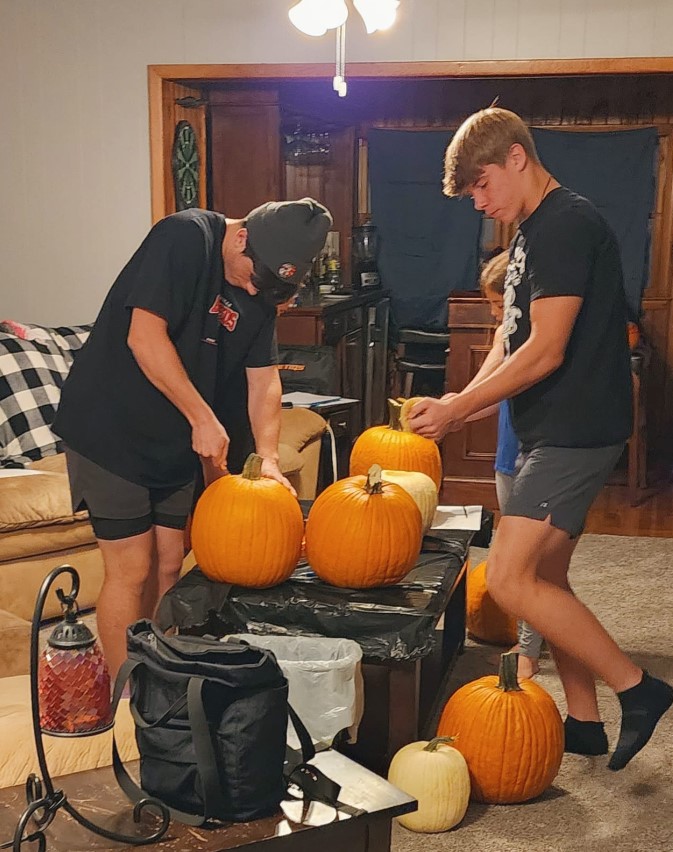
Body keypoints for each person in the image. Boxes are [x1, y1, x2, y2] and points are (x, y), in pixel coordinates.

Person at [408, 107, 672, 770]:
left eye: (480, 184)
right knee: (547, 576)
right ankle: (582, 722)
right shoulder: (528, 232)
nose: (477, 200)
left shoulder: (566, 224)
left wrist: (460, 407)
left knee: (506, 575)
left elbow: (548, 351)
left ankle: (638, 691)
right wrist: (457, 406)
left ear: (516, 158)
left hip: (574, 429)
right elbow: (509, 337)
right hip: (546, 428)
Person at [53, 198, 332, 678]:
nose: (254, 289)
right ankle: (128, 700)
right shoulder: (183, 237)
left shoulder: (261, 290)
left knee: (169, 564)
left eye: (269, 287)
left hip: (171, 438)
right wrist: (203, 418)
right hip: (110, 429)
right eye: (253, 277)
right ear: (242, 236)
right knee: (132, 569)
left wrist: (267, 456)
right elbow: (145, 338)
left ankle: (161, 678)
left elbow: (264, 379)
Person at [481, 250, 543, 680]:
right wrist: (455, 405)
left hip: (538, 452)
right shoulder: (507, 330)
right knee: (509, 551)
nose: (496, 316)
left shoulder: (544, 335)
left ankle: (529, 649)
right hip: (507, 452)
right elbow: (488, 376)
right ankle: (533, 635)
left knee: (529, 561)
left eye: (500, 307)